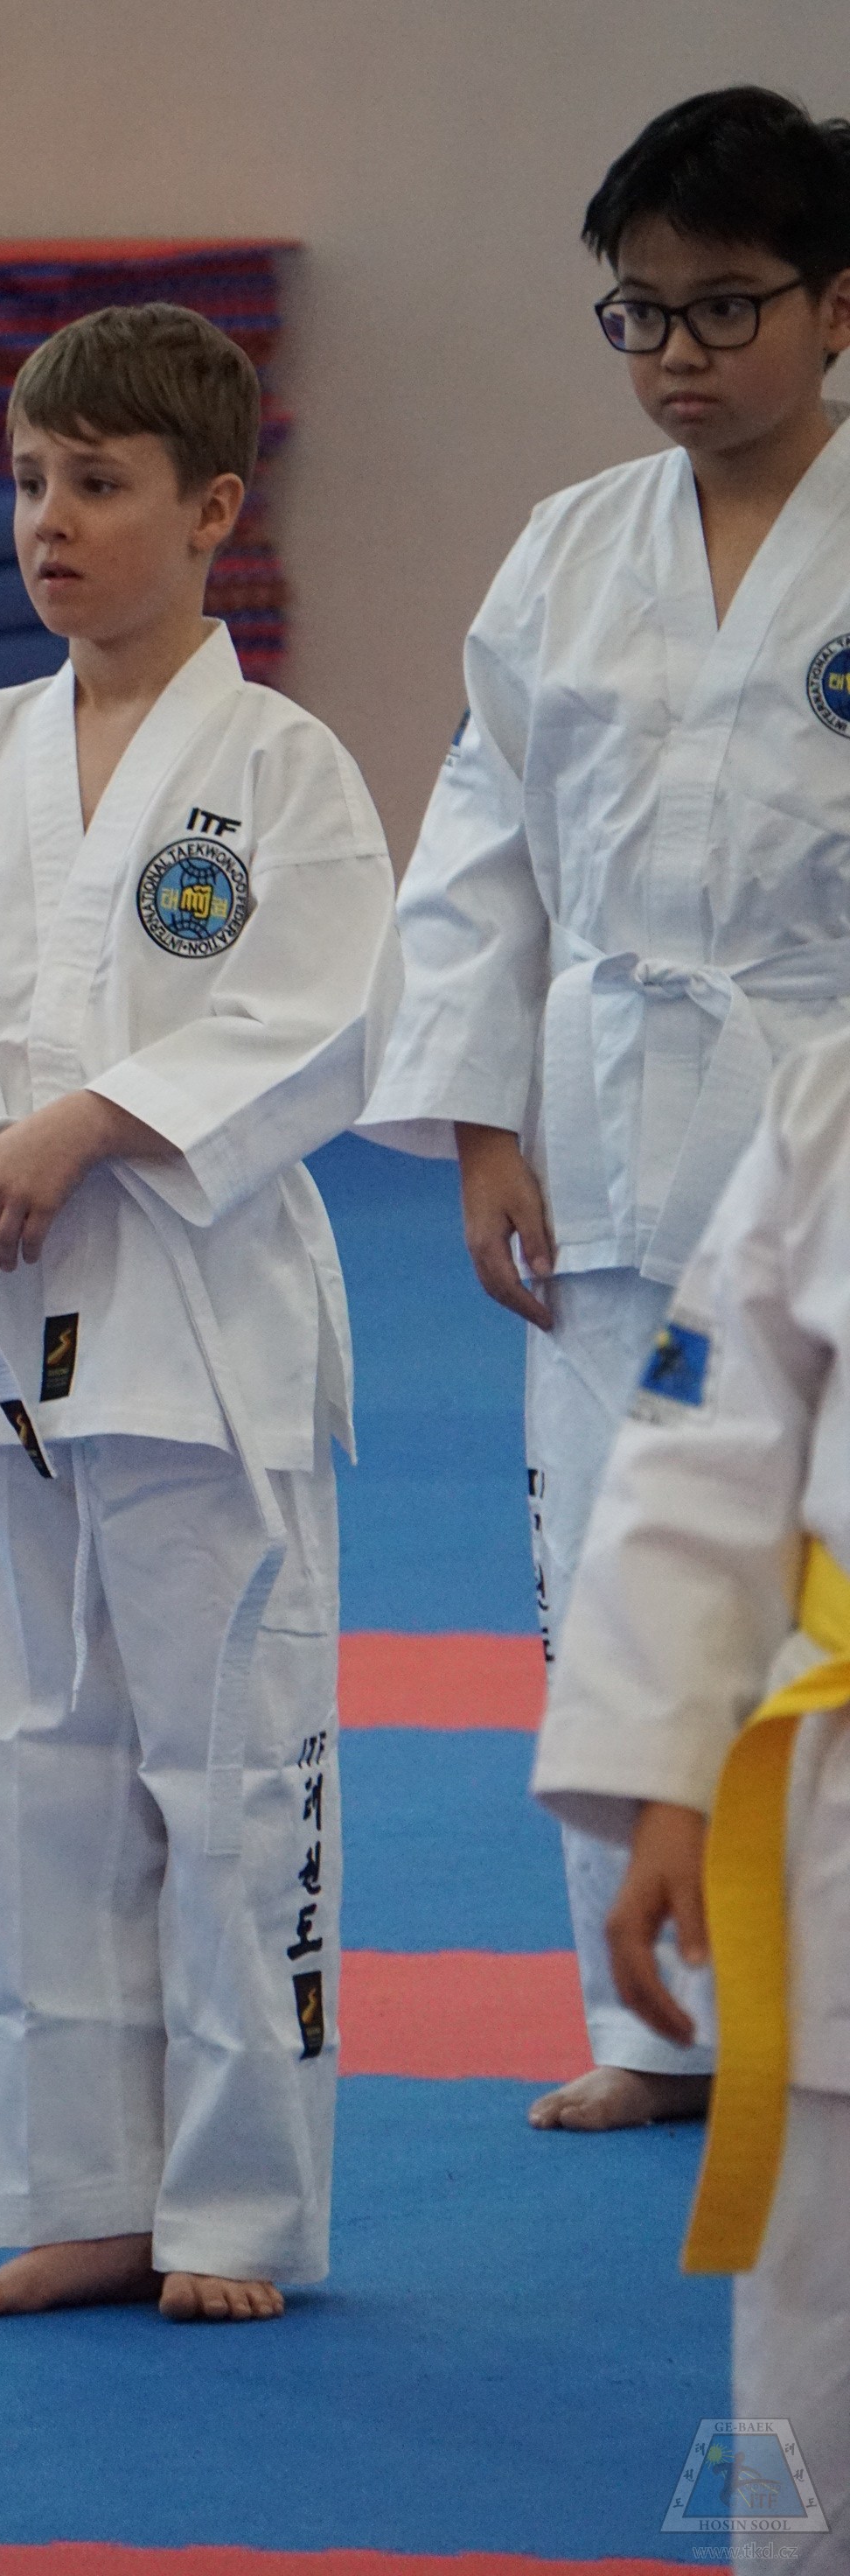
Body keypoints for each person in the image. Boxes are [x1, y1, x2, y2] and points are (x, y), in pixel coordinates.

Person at [0, 304, 400, 2324]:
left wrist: (93, 1122)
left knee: (229, 1774)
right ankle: (81, 2192)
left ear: (212, 510)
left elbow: (324, 1016)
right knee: (17, 1767)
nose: (49, 521)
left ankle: (233, 2207)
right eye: (29, 481)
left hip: (196, 1334)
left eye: (99, 485)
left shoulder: (282, 769)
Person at [359, 86, 850, 2132]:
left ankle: (823, 2012)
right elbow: (479, 845)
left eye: (723, 307)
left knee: (820, 1573)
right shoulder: (567, 550)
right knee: (610, 1569)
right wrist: (480, 1119)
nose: (675, 354)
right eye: (638, 313)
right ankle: (656, 2026)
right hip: (600, 1122)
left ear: (834, 305)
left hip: (826, 1113)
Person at [533, 1032, 850, 2566]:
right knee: (816, 2315)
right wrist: (667, 1778)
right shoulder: (832, 1101)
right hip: (840, 1812)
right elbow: (705, 1454)